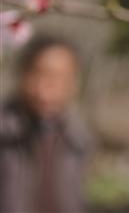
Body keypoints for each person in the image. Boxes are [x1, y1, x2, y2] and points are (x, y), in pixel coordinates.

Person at [0, 35, 91, 213]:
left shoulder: (78, 138)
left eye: (57, 78)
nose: (44, 88)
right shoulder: (5, 132)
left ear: (74, 83)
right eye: (37, 74)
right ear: (22, 74)